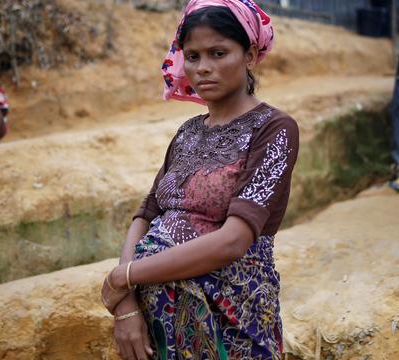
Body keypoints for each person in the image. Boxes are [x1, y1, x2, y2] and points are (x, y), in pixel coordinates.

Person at [101, 1, 299, 359]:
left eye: (218, 53)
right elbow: (145, 216)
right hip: (157, 322)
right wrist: (127, 303)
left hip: (231, 319)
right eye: (192, 56)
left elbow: (232, 242)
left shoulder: (274, 130)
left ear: (250, 55)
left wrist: (123, 277)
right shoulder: (187, 132)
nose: (203, 68)